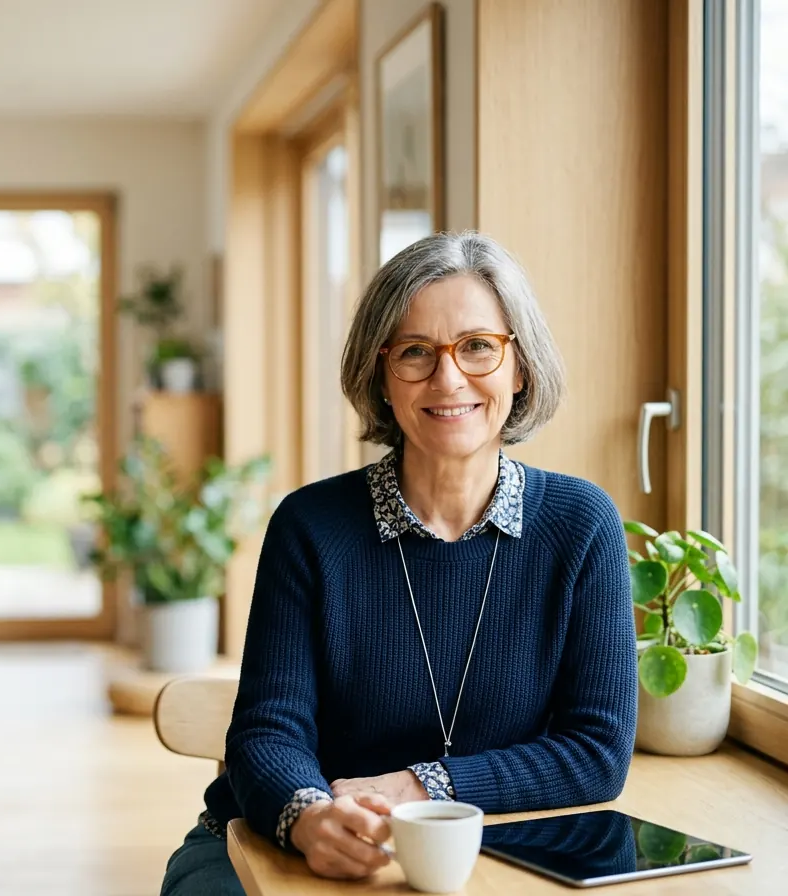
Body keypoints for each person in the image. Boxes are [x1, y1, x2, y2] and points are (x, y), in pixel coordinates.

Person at [159, 230, 638, 895]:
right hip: (274, 847)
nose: (448, 378)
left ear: (520, 366)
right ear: (380, 376)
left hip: (481, 853)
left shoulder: (581, 525)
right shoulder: (310, 527)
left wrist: (417, 785)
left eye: (477, 346)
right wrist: (308, 817)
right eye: (415, 352)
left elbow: (595, 752)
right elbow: (267, 731)